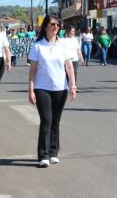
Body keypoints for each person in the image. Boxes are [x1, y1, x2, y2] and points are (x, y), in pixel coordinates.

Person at [28, 15, 77, 168]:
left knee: (55, 121)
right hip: (42, 88)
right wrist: (31, 90)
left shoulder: (63, 45)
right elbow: (33, 71)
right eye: (53, 24)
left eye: (58, 25)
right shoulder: (38, 46)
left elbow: (69, 67)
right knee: (46, 120)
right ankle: (43, 155)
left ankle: (54, 152)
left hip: (60, 88)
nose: (56, 27)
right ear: (45, 27)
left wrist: (73, 86)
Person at [66, 26, 84, 90]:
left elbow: (78, 49)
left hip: (75, 59)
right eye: (72, 31)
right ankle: (66, 87)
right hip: (67, 60)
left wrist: (81, 58)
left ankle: (74, 86)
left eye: (74, 31)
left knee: (75, 72)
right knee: (67, 73)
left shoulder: (75, 39)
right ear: (68, 31)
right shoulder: (64, 40)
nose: (73, 32)